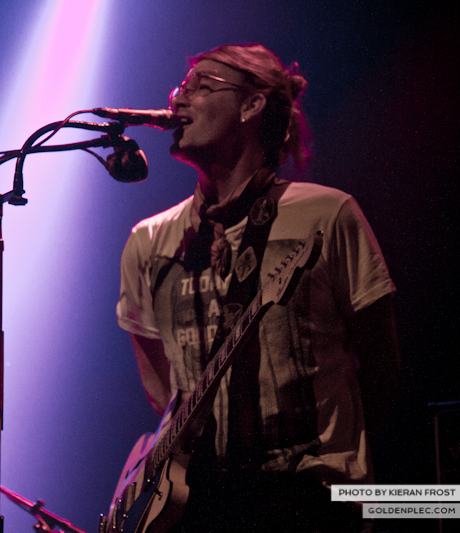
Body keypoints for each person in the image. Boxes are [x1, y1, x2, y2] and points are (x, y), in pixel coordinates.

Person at [116, 44, 399, 532]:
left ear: (251, 105)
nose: (178, 98)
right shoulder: (149, 242)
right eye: (181, 87)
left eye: (201, 86)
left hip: (314, 501)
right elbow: (160, 384)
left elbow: (382, 365)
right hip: (201, 505)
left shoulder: (328, 214)